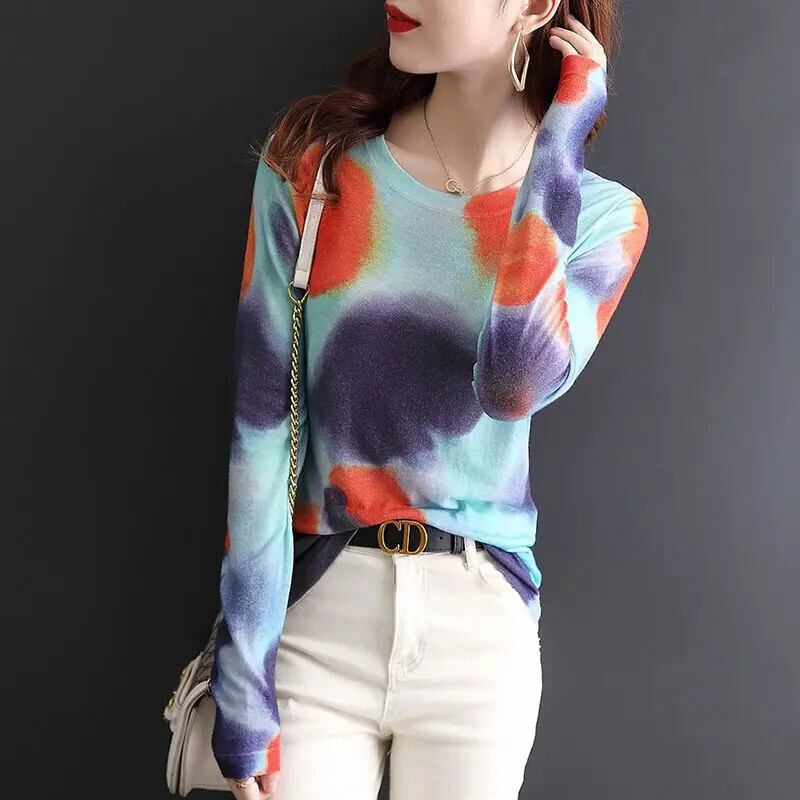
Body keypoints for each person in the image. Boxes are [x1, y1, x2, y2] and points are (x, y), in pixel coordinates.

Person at [208, 1, 650, 798]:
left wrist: (560, 138)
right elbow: (261, 435)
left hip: (478, 637)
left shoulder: (601, 219)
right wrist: (242, 682)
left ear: (535, 6)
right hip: (318, 617)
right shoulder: (313, 172)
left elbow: (512, 383)